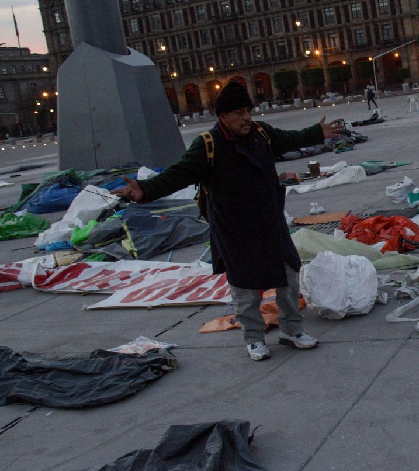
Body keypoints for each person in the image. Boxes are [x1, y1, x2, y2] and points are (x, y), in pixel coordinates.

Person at [111, 83, 345, 361]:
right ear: (222, 116)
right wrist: (144, 189)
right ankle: (254, 338)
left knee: (289, 276)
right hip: (235, 229)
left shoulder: (261, 134)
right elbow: (178, 174)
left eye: (247, 110)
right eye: (238, 112)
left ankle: (292, 331)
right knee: (246, 288)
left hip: (270, 222)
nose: (246, 117)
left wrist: (318, 132)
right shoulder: (207, 146)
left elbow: (289, 139)